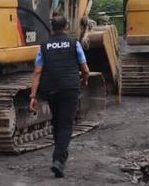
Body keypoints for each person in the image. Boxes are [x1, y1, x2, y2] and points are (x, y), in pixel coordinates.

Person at [29, 17, 90, 178]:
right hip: (70, 88)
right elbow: (85, 69)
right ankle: (58, 160)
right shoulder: (73, 43)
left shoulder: (44, 46)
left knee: (57, 122)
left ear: (52, 28)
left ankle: (59, 158)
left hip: (51, 89)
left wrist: (33, 96)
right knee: (65, 125)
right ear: (66, 26)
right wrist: (84, 80)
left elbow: (37, 72)